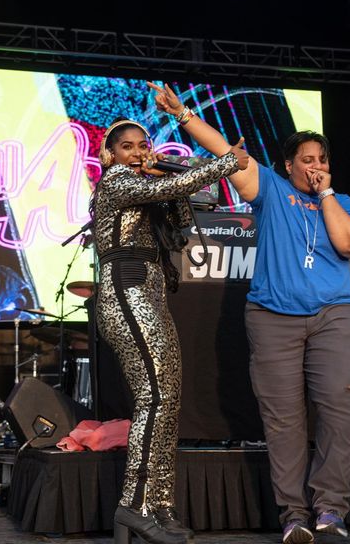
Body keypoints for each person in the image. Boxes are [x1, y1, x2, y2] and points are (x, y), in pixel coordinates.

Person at [148, 82, 350, 544]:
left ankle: (330, 509)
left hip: (334, 317)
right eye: (307, 160)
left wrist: (327, 195)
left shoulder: (343, 204)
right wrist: (183, 114)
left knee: (339, 409)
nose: (316, 166)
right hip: (272, 318)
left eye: (322, 160)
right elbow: (226, 152)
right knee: (283, 420)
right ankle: (294, 515)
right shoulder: (271, 189)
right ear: (289, 165)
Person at [89, 117, 248, 544]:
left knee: (167, 402)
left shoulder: (148, 186)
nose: (138, 152)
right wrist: (226, 162)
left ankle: (159, 504)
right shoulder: (116, 182)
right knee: (155, 399)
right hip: (127, 295)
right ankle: (134, 505)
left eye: (143, 145)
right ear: (110, 155)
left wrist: (165, 172)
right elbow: (174, 187)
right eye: (128, 147)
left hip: (151, 295)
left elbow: (180, 216)